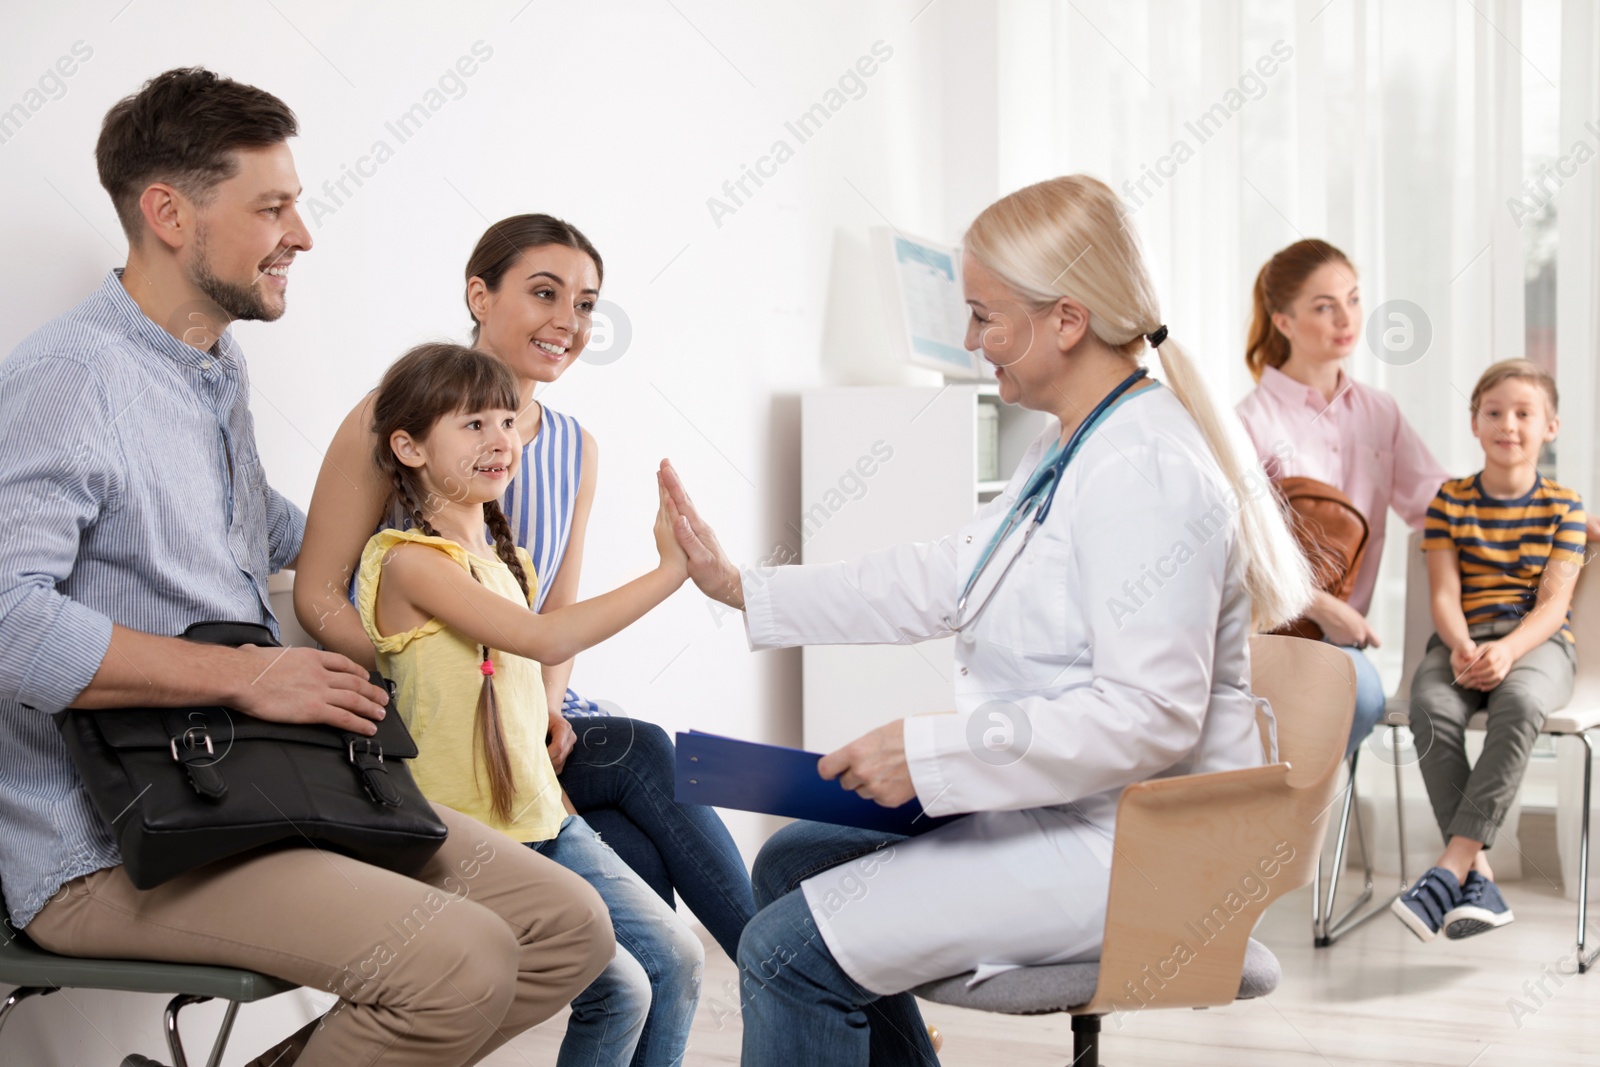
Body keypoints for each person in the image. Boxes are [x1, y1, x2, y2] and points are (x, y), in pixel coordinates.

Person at [0, 69, 612, 1067]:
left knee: (567, 928)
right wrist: (252, 673)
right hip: (109, 840)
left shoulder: (210, 366)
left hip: (251, 786)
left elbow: (258, 527)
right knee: (457, 963)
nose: (303, 233)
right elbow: (8, 625)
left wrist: (419, 517)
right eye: (271, 206)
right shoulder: (69, 379)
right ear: (168, 212)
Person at [655, 174, 1315, 1065]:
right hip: (1064, 802)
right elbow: (943, 576)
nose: (970, 342)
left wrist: (928, 754)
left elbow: (1150, 716)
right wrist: (744, 587)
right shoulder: (1070, 443)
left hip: (1137, 847)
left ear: (1067, 320)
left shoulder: (1144, 472)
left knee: (784, 955)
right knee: (791, 862)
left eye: (984, 316)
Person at [294, 215, 755, 963]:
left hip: (531, 708)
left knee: (641, 840)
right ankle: (795, 979)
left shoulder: (575, 447)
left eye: (585, 304)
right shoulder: (397, 417)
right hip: (431, 720)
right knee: (644, 757)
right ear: (479, 294)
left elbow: (556, 610)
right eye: (545, 293)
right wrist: (405, 665)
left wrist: (542, 706)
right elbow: (318, 595)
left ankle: (781, 985)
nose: (567, 321)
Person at [357, 342, 702, 1066]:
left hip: (542, 818)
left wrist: (564, 809)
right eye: (472, 424)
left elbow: (517, 709)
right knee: (623, 990)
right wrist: (672, 570)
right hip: (467, 837)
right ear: (409, 446)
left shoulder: (507, 563)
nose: (498, 440)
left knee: (678, 958)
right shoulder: (409, 562)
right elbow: (545, 638)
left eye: (506, 422)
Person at [1390, 360, 1585, 942]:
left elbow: (1552, 606)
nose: (1508, 425)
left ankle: (1451, 866)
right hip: (1462, 641)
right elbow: (1444, 592)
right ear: (1475, 423)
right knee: (1429, 706)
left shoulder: (1565, 506)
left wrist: (1508, 650)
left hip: (1538, 644)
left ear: (1550, 426)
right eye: (1494, 413)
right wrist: (1462, 645)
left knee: (1520, 705)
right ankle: (1478, 876)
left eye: (1525, 414)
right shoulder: (1448, 502)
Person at [1235, 238, 1451, 759]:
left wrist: (1554, 515)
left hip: (1338, 647)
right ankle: (1281, 827)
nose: (1345, 317)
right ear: (1283, 321)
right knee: (1359, 693)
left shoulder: (1379, 413)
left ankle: (1284, 829)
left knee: (1359, 692)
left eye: (1352, 299)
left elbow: (1441, 503)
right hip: (1262, 638)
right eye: (1323, 306)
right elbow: (1236, 550)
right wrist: (1321, 605)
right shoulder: (1248, 422)